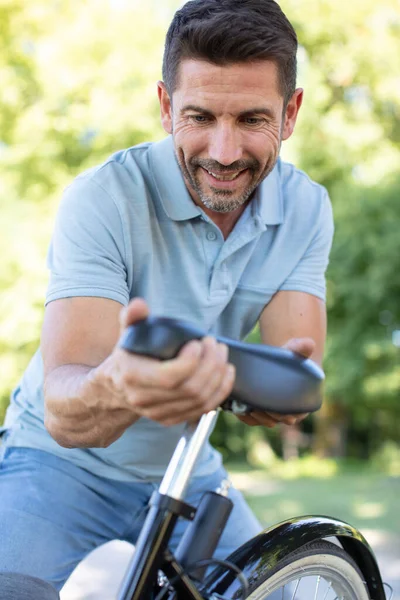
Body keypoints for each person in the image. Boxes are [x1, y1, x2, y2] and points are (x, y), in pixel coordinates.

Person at [0, 0, 334, 591]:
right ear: (164, 107)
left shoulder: (307, 209)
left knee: (288, 589)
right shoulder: (102, 199)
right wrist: (125, 384)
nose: (225, 153)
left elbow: (293, 378)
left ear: (291, 113)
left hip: (187, 462)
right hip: (59, 464)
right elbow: (65, 412)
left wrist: (275, 392)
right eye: (200, 116)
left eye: (253, 120)